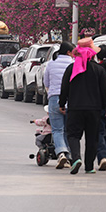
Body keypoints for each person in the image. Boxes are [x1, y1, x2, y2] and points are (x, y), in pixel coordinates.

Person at [59, 38, 106, 175]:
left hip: (75, 108)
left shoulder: (71, 69)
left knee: (73, 135)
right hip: (94, 109)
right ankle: (89, 166)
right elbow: (105, 90)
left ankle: (76, 158)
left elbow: (64, 88)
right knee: (92, 138)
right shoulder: (99, 70)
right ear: (92, 54)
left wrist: (61, 104)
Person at [43, 40, 75, 169]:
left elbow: (46, 82)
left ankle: (61, 153)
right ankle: (69, 155)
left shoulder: (51, 64)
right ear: (68, 52)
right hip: (71, 99)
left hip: (54, 98)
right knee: (69, 130)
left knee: (57, 129)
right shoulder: (73, 64)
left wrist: (51, 92)